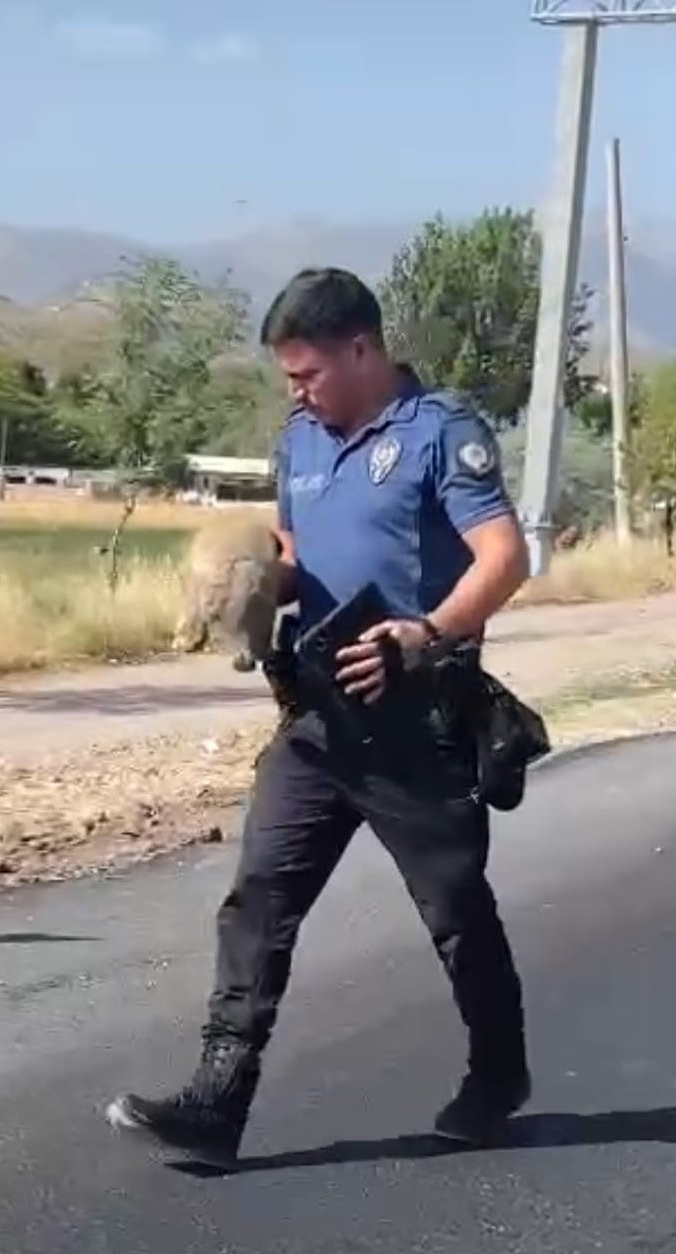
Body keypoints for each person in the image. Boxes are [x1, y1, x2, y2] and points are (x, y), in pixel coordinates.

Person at [105, 266, 532, 1168]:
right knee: (260, 896)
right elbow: (300, 548)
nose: (295, 391)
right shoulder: (300, 441)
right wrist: (252, 578)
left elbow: (504, 555)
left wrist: (425, 632)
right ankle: (217, 1102)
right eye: (288, 378)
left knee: (455, 910)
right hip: (317, 715)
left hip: (414, 716)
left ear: (361, 349)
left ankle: (497, 1075)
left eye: (306, 373)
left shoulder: (437, 435)